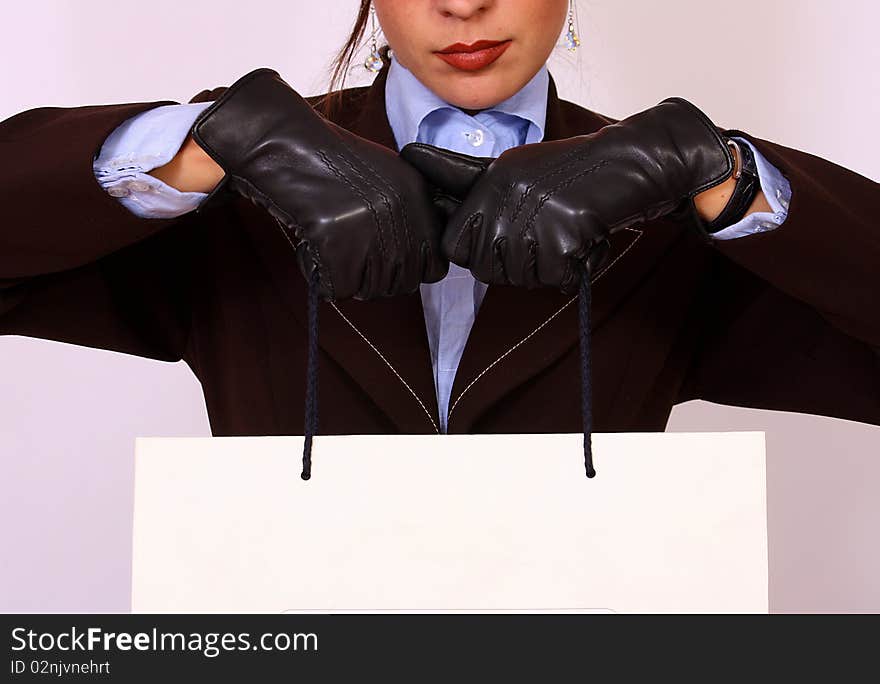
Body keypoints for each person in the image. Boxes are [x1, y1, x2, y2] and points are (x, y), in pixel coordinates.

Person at [1, 1, 877, 479]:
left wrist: (718, 170)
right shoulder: (234, 182)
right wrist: (209, 141)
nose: (463, 4)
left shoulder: (669, 202)